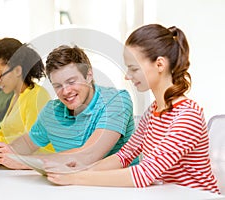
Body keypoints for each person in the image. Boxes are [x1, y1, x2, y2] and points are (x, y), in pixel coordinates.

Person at [46, 24, 220, 194]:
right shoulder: (153, 112)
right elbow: (124, 156)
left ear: (160, 65)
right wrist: (80, 170)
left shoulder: (187, 116)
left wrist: (76, 178)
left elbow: (144, 174)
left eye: (134, 69)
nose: (127, 76)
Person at [0, 45, 138, 170]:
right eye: (57, 85)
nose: (65, 92)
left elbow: (88, 156)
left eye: (71, 82)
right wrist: (4, 154)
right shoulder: (52, 111)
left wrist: (23, 162)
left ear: (89, 75)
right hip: (69, 189)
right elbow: (27, 143)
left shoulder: (117, 100)